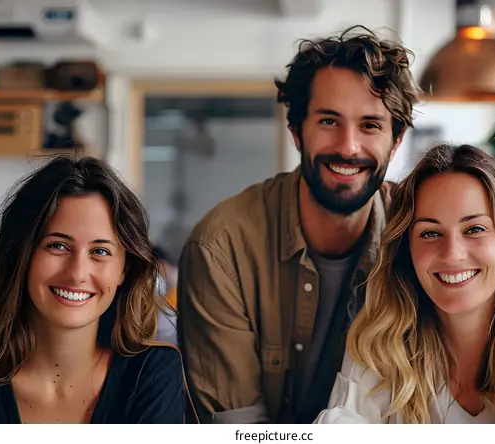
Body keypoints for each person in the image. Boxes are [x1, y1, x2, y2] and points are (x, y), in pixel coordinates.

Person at [177, 24, 421, 424]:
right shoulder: (221, 247)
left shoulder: (418, 235)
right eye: (329, 121)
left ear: (395, 142)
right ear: (296, 131)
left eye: (370, 125)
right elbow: (239, 430)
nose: (348, 146)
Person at [315, 143, 495, 424]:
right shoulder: (380, 345)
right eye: (430, 233)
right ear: (407, 251)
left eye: (474, 229)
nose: (452, 253)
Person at [0, 155, 187, 424]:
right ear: (21, 256)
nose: (77, 274)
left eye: (100, 251)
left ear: (124, 270)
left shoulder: (151, 374)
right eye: (57, 246)